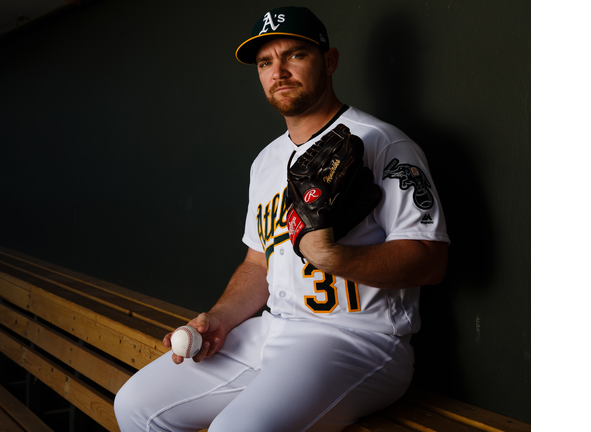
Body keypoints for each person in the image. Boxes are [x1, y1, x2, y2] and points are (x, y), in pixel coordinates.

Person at [114, 6, 449, 432]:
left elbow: (431, 260)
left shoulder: (383, 143)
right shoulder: (266, 161)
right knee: (135, 405)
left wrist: (334, 258)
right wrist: (220, 318)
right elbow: (258, 264)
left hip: (357, 339)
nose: (279, 71)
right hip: (273, 329)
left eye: (295, 55)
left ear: (329, 61)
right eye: (266, 62)